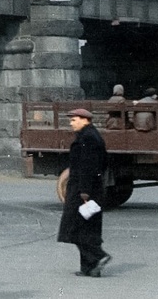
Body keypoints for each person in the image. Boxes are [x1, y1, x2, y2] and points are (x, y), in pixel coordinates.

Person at [57, 109, 111, 277]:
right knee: (88, 228)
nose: (71, 123)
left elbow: (88, 166)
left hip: (83, 190)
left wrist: (85, 191)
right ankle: (90, 268)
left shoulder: (88, 138)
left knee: (75, 227)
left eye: (74, 120)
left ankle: (98, 256)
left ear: (85, 120)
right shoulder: (91, 136)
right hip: (88, 188)